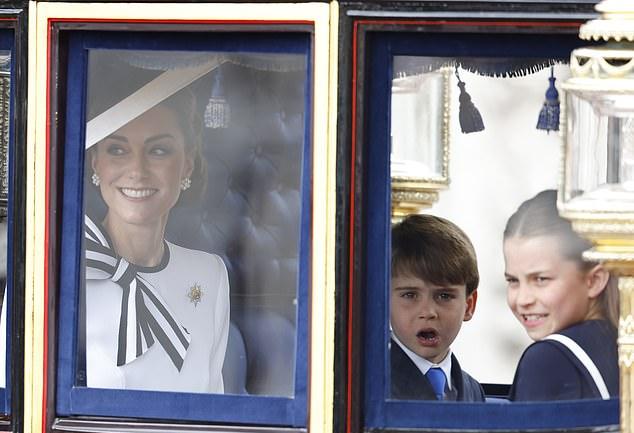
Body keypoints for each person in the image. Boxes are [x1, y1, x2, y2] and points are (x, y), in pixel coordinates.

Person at [83, 64, 230, 394]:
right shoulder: (54, 275)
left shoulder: (210, 276)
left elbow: (212, 411)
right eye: (117, 149)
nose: (137, 170)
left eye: (158, 150)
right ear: (96, 162)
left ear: (187, 163)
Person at [503, 189, 618, 401]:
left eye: (541, 279)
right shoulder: (620, 343)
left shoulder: (548, 359)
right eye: (513, 281)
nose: (523, 300)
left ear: (594, 280)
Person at [390, 214, 485, 401]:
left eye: (444, 296)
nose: (428, 312)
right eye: (410, 295)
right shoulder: (368, 384)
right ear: (382, 301)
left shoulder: (473, 390)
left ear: (469, 305)